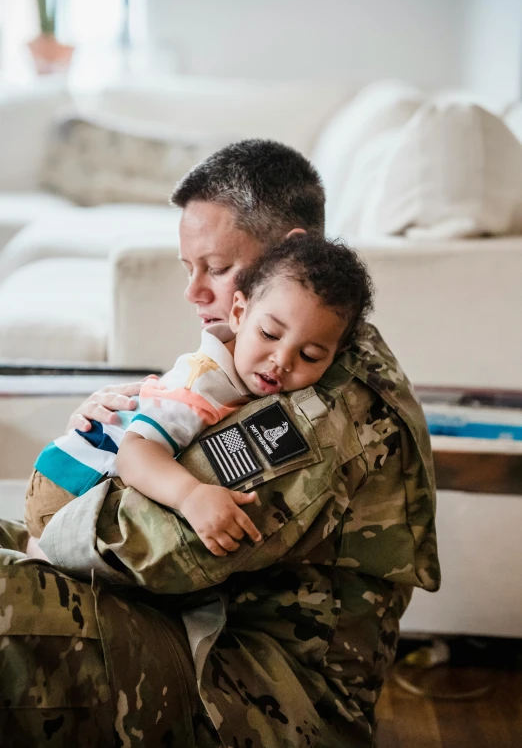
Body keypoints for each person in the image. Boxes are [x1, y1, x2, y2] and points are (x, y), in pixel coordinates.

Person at [0, 139, 440, 748]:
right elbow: (181, 428)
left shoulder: (314, 409)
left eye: (215, 265)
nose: (195, 291)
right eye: (189, 267)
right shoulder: (300, 346)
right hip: (199, 624)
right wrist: (126, 418)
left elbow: (144, 550)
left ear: (288, 251)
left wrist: (71, 478)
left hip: (263, 694)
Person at [25, 235, 373, 560]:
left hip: (80, 476)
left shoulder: (256, 380)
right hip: (72, 484)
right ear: (239, 314)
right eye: (269, 334)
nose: (282, 360)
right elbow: (135, 453)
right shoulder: (202, 383)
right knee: (55, 556)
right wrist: (190, 496)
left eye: (310, 355)